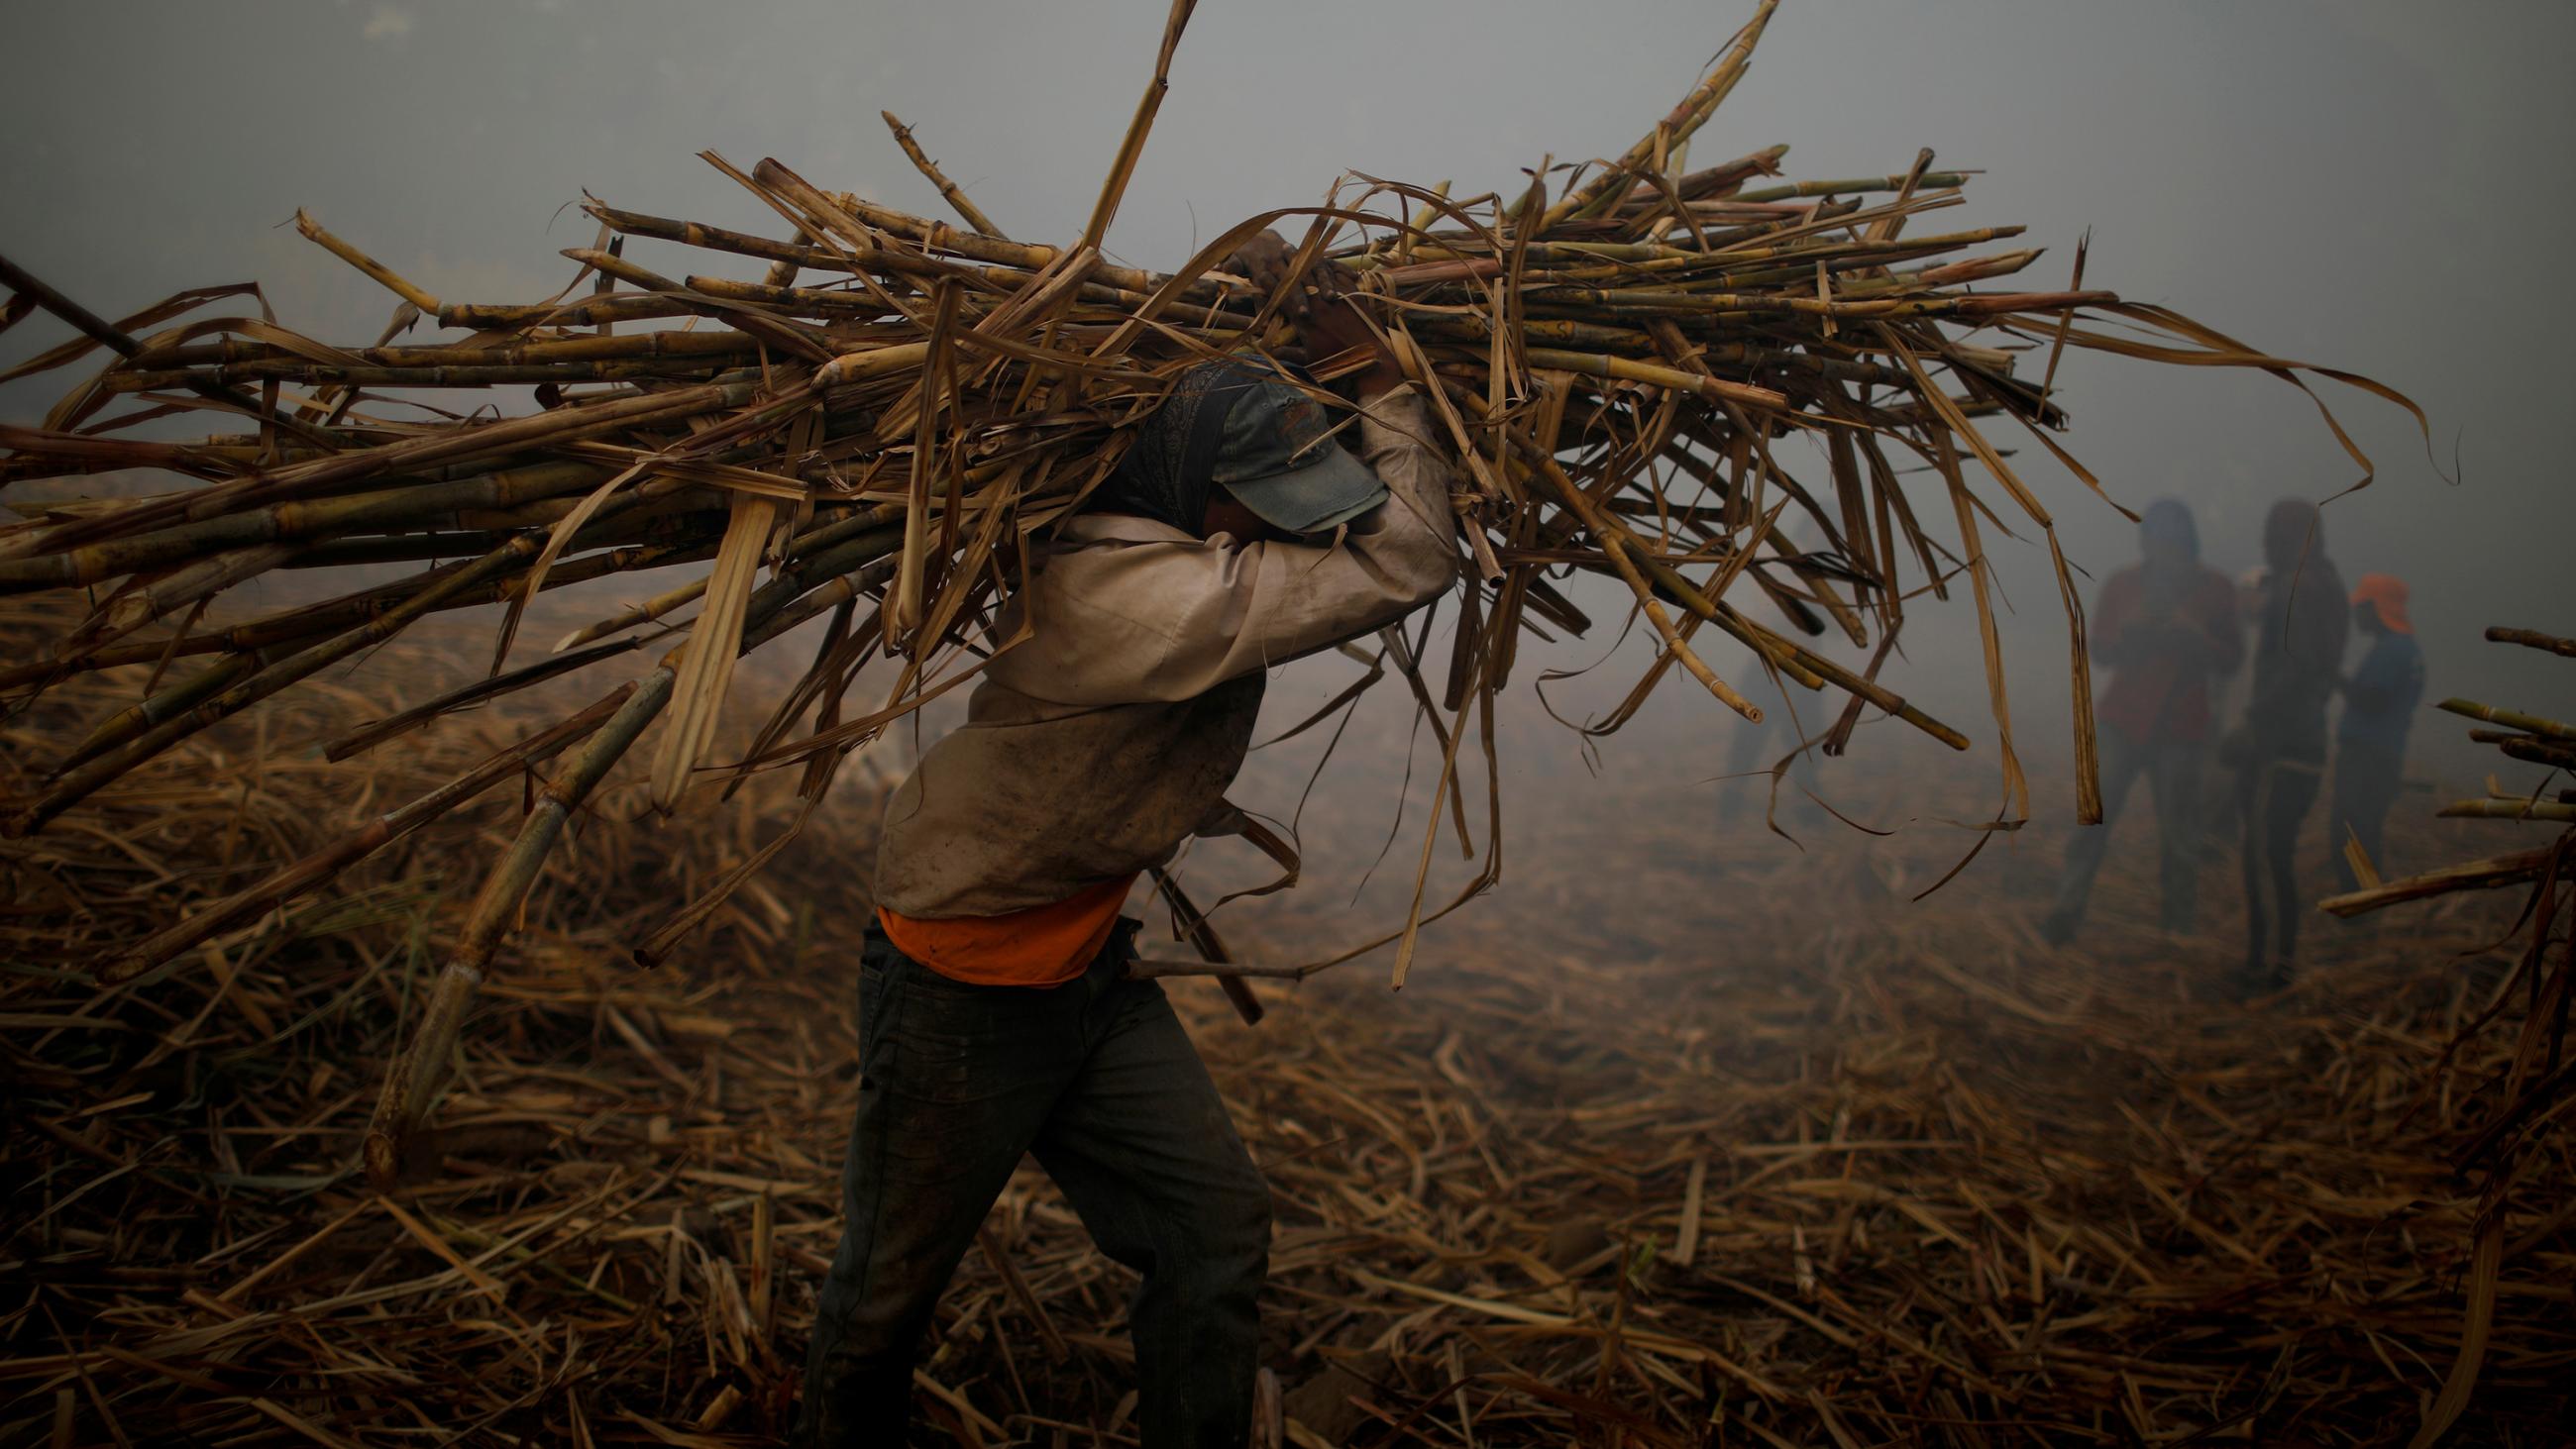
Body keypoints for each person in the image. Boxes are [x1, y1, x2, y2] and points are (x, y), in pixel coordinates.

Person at [793, 232, 1457, 1447]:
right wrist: (1384, 386)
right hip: (962, 980)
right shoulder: (1135, 601)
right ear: (1171, 481)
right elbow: (1410, 555)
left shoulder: (1162, 533)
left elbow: (1314, 506)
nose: (1271, 528)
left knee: (1213, 1231)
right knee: (884, 1298)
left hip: (1084, 965)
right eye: (1243, 503)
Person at [2042, 499, 2241, 944]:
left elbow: (2230, 660)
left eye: (2171, 545)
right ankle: (2066, 911)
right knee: (2092, 821)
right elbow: (2103, 650)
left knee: (2179, 837)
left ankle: (2177, 928)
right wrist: (2132, 629)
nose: (2162, 554)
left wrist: (2195, 635)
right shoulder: (2125, 585)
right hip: (2124, 721)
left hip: (2182, 727)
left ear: (2187, 546)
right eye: (2155, 544)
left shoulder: (2215, 590)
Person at [2230, 498, 2348, 989]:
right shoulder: (2325, 584)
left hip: (2284, 741)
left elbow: (2297, 666)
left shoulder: (2300, 586)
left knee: (2265, 851)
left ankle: (2270, 964)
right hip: (2302, 737)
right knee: (2270, 851)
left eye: (2274, 533)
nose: (2265, 542)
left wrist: (2253, 720)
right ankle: (2270, 959)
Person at [2328, 573, 2425, 892]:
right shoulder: (2404, 649)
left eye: (2361, 607)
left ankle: (2360, 904)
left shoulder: (2392, 651)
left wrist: (2334, 677)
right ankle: (2363, 901)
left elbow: (2373, 701)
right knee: (2364, 827)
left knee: (2352, 829)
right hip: (2383, 754)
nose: (2357, 614)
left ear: (2376, 607)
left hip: (2367, 756)